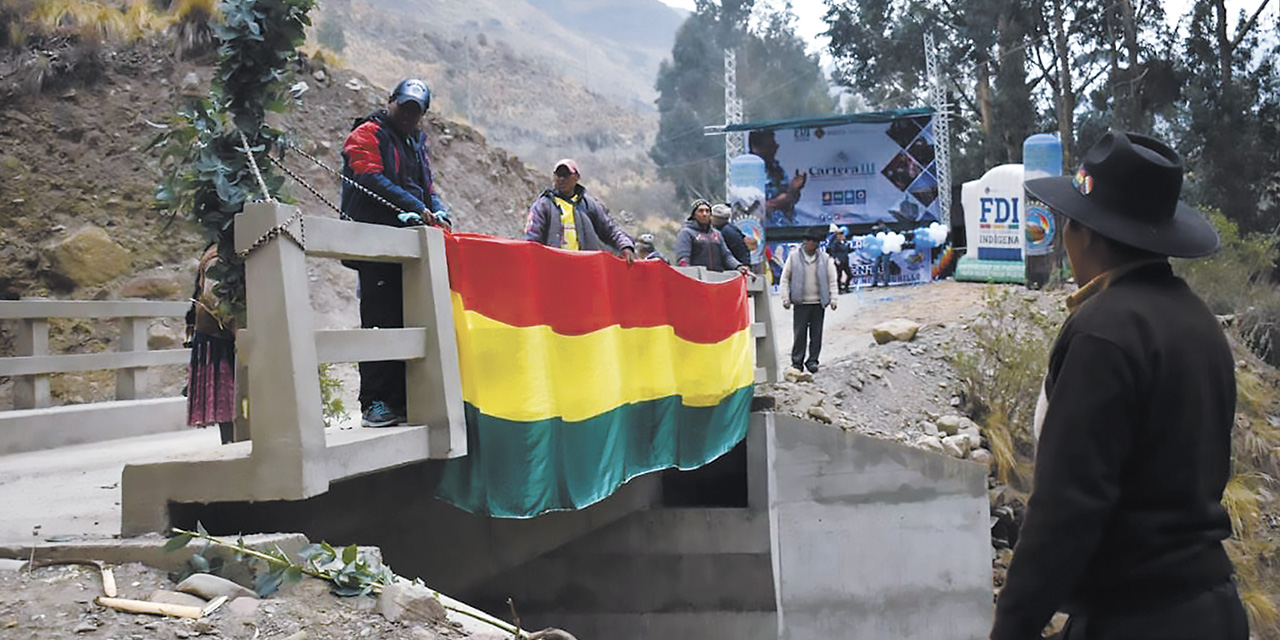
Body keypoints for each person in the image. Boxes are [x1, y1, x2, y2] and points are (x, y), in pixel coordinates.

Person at [991, 131, 1246, 640]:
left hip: (1139, 619)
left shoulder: (1103, 332)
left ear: (1085, 234)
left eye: (1068, 224)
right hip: (1212, 610)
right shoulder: (1197, 322)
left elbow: (1068, 507)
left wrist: (1013, 626)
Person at [341, 77, 452, 428]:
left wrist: (437, 208)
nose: (407, 116)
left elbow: (427, 186)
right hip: (374, 243)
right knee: (378, 321)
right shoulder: (367, 134)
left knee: (408, 320)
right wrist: (418, 207)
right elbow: (369, 178)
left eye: (415, 112)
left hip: (407, 246)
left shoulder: (416, 143)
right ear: (391, 101)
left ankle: (400, 400)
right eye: (403, 107)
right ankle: (372, 401)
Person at [524, 159, 635, 263]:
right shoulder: (543, 205)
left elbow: (610, 229)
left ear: (576, 178)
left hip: (585, 268)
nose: (561, 179)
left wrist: (626, 246)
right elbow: (532, 238)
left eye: (566, 175)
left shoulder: (590, 205)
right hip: (554, 268)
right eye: (558, 175)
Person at [185, 243, 237, 444]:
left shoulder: (227, 251)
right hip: (218, 336)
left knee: (233, 396)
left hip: (223, 334)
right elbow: (213, 297)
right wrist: (237, 327)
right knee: (228, 397)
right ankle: (231, 443)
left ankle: (233, 441)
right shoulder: (217, 256)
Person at [780, 226, 837, 376]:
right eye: (809, 240)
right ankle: (797, 362)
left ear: (818, 243)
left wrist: (833, 298)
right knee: (799, 334)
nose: (811, 243)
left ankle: (813, 361)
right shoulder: (793, 257)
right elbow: (785, 278)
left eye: (815, 241)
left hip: (818, 302)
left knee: (816, 334)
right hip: (800, 303)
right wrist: (785, 297)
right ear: (804, 241)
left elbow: (832, 280)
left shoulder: (825, 259)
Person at [675, 199, 750, 275]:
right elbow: (683, 259)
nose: (704, 214)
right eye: (701, 211)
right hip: (697, 278)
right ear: (694, 214)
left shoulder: (717, 234)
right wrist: (688, 273)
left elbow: (726, 256)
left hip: (716, 278)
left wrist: (738, 266)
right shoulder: (686, 233)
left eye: (707, 211)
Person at [749, 129, 806, 227]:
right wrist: (782, 200)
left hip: (784, 226)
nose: (775, 149)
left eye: (775, 145)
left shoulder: (777, 169)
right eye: (770, 146)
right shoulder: (748, 170)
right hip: (762, 230)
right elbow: (754, 208)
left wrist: (794, 189)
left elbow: (790, 201)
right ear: (756, 148)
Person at [828, 226, 853, 293]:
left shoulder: (845, 242)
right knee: (839, 275)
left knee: (850, 275)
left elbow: (847, 250)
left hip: (845, 260)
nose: (841, 235)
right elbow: (832, 251)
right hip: (839, 260)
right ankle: (839, 289)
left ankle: (846, 287)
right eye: (840, 234)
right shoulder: (835, 242)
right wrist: (836, 259)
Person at [869, 220, 892, 287]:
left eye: (881, 224)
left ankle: (886, 281)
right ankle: (875, 281)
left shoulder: (887, 230)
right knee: (875, 266)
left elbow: (891, 238)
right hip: (878, 250)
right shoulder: (875, 231)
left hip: (886, 249)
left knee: (885, 265)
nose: (880, 226)